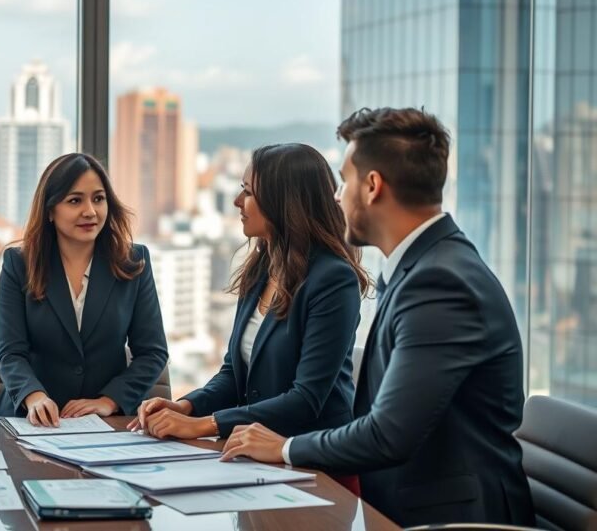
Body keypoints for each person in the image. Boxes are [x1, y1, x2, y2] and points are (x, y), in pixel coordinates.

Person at [220, 108, 535, 527]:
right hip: (403, 505)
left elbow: (388, 433)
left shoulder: (441, 282)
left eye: (345, 180)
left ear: (372, 186)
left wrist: (283, 448)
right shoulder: (422, 267)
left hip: (451, 518)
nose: (336, 196)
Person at [130, 145, 367, 471]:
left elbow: (306, 399)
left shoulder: (333, 279)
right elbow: (233, 374)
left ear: (284, 202)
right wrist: (185, 406)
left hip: (311, 462)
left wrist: (205, 425)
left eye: (248, 192)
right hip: (253, 457)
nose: (236, 201)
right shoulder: (262, 268)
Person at [0, 153, 169, 424]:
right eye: (75, 200)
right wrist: (34, 396)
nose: (90, 211)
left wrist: (108, 401)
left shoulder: (133, 263)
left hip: (106, 424)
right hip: (32, 422)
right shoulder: (19, 264)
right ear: (50, 210)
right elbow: (10, 353)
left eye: (98, 199)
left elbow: (152, 352)